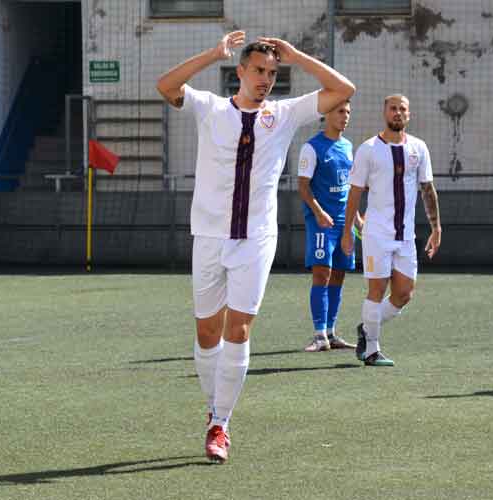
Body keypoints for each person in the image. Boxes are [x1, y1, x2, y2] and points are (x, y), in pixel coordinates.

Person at [156, 31, 355, 462]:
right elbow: (166, 86)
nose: (266, 78)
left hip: (256, 240)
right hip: (209, 237)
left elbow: (343, 90)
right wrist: (213, 53)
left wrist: (298, 56)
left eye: (272, 72)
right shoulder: (211, 108)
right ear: (241, 71)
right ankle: (213, 408)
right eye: (259, 70)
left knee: (239, 329)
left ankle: (220, 425)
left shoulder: (283, 114)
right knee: (207, 332)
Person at [341, 94, 441, 367]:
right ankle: (372, 349)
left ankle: (365, 328)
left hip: (406, 236)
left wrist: (436, 227)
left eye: (403, 109)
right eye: (393, 108)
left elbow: (427, 189)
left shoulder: (419, 148)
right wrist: (348, 229)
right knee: (376, 289)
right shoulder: (369, 149)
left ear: (409, 115)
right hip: (376, 234)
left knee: (404, 294)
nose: (398, 113)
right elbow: (355, 192)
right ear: (384, 113)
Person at [298, 100, 363, 352]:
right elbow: (303, 186)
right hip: (321, 222)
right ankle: (318, 335)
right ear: (326, 114)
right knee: (322, 274)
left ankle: (332, 333)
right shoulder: (312, 147)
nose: (345, 116)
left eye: (348, 112)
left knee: (339, 275)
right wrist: (319, 212)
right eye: (340, 111)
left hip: (344, 223)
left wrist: (356, 218)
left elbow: (349, 188)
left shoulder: (347, 147)